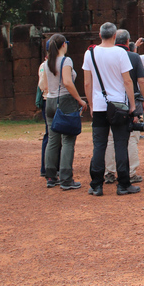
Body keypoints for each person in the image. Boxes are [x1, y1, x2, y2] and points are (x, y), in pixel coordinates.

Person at [82, 22, 139, 196]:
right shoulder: (120, 53)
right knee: (121, 144)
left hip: (100, 106)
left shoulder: (90, 53)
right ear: (115, 36)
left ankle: (96, 185)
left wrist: (92, 104)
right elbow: (128, 81)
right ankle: (123, 184)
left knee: (99, 145)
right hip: (119, 106)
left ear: (100, 35)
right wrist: (133, 105)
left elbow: (87, 82)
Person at [43, 34, 88, 189]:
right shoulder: (65, 60)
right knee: (68, 140)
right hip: (64, 101)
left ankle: (50, 176)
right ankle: (66, 178)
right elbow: (67, 82)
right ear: (63, 45)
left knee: (53, 139)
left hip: (50, 101)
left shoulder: (48, 61)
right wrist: (79, 100)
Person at [103, 29, 144, 185]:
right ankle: (130, 172)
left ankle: (109, 172)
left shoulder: (105, 55)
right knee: (132, 139)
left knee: (110, 138)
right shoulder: (134, 57)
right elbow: (141, 81)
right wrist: (143, 99)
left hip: (110, 103)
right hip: (130, 101)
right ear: (128, 41)